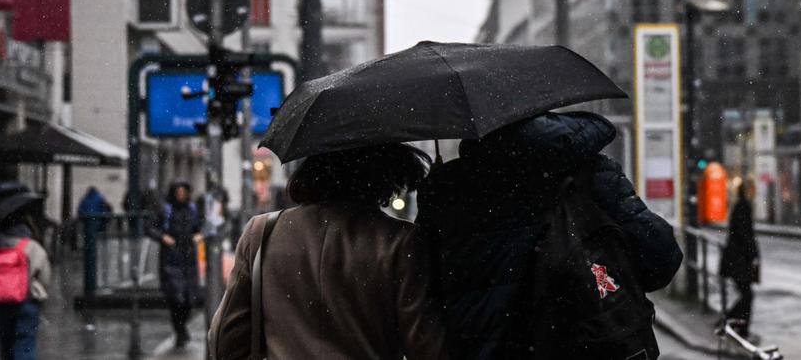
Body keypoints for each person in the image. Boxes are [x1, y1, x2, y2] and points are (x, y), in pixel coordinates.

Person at [418, 111, 683, 359]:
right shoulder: (589, 172)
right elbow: (661, 259)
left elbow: (421, 286)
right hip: (586, 343)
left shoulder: (449, 190)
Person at [208, 144, 448, 360]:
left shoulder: (262, 232)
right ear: (382, 174)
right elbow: (426, 348)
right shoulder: (399, 241)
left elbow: (224, 342)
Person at [0, 206, 51, 360]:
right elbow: (45, 276)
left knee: (6, 346)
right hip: (27, 300)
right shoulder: (32, 247)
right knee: (25, 343)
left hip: (1, 302)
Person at [147, 181, 203, 348]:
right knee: (176, 299)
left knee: (189, 300)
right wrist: (163, 237)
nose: (180, 194)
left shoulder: (192, 209)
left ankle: (181, 328)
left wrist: (199, 235)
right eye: (178, 191)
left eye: (183, 191)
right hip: (170, 260)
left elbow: (201, 227)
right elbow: (149, 228)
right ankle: (180, 331)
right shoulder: (166, 210)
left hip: (189, 260)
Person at [719, 179, 760, 339]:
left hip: (736, 260)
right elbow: (745, 235)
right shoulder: (744, 207)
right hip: (739, 261)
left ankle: (735, 324)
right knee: (747, 295)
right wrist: (753, 256)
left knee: (746, 295)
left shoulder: (740, 206)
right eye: (753, 189)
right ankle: (732, 323)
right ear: (748, 190)